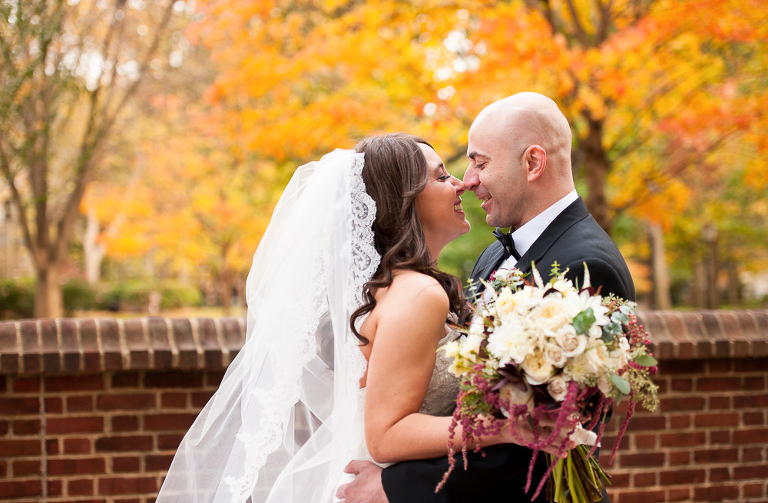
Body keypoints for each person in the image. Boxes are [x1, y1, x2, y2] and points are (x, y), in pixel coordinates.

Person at [156, 133, 570, 503]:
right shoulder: (419, 294)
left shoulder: (393, 287)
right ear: (404, 198)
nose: (462, 183)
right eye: (441, 178)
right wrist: (506, 427)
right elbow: (386, 436)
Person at [337, 92, 635, 502]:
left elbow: (545, 436)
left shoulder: (587, 265)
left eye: (479, 162)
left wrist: (397, 487)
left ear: (533, 163)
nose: (468, 179)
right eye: (452, 172)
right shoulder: (493, 255)